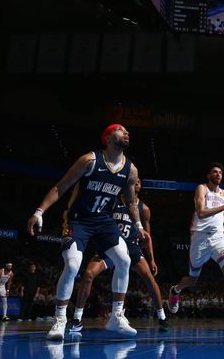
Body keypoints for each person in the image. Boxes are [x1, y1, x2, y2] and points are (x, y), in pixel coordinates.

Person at [27, 123, 148, 340]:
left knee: (124, 260)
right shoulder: (89, 160)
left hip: (104, 221)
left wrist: (138, 225)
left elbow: (130, 202)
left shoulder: (131, 169)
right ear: (108, 138)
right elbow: (60, 187)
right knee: (73, 265)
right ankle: (60, 319)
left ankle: (116, 317)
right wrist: (38, 212)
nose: (126, 132)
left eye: (127, 131)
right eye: (120, 130)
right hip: (79, 220)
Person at [166, 162, 224, 330]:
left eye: (220, 173)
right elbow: (201, 212)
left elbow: (221, 212)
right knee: (192, 280)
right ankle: (176, 290)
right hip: (200, 238)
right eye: (214, 172)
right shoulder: (201, 188)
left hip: (218, 237)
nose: (218, 174)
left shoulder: (222, 192)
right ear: (208, 175)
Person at [69, 177, 168, 333]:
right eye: (133, 181)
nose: (136, 184)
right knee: (88, 274)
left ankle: (162, 317)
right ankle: (77, 318)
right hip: (111, 246)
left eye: (139, 182)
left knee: (149, 277)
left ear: (140, 187)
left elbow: (147, 235)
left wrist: (152, 259)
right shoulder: (113, 201)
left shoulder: (144, 209)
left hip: (132, 247)